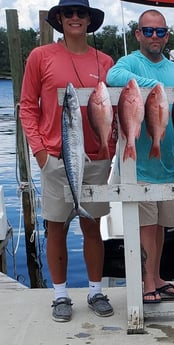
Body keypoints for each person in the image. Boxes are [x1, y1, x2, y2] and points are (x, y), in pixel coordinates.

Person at [19, 0, 115, 322]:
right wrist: (40, 152)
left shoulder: (105, 61)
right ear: (59, 19)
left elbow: (113, 114)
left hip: (97, 159)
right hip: (56, 159)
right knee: (56, 227)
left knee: (93, 227)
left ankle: (95, 290)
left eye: (81, 13)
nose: (75, 18)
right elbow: (27, 107)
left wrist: (110, 147)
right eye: (69, 13)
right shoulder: (40, 57)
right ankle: (60, 296)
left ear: (90, 20)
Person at [107, 9, 174, 304]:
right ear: (138, 34)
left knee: (163, 225)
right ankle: (146, 281)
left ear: (167, 35)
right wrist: (152, 87)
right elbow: (113, 76)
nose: (155, 36)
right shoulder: (129, 62)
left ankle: (157, 276)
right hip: (139, 164)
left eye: (160, 31)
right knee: (145, 226)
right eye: (149, 31)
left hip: (167, 161)